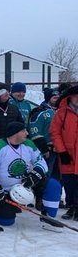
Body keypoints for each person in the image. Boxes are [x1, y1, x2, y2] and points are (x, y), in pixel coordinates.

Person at [0, 122, 50, 226]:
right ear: (15, 133)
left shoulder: (29, 144)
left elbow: (42, 163)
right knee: (7, 221)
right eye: (24, 131)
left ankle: (47, 213)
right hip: (4, 191)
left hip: (24, 187)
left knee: (53, 184)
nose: (27, 133)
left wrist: (35, 174)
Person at [51, 85, 78, 220]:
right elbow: (55, 133)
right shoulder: (62, 113)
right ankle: (71, 206)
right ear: (70, 97)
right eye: (76, 96)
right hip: (68, 153)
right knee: (68, 182)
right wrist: (62, 151)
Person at [28, 88, 60, 182]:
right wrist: (44, 149)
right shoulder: (39, 112)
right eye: (54, 98)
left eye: (58, 97)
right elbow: (35, 132)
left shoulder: (61, 111)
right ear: (48, 98)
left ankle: (54, 195)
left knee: (58, 178)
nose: (57, 100)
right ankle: (41, 195)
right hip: (48, 151)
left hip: (61, 150)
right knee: (45, 175)